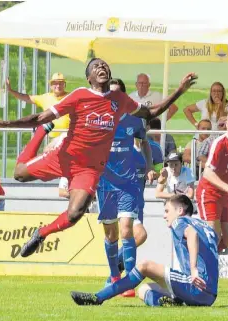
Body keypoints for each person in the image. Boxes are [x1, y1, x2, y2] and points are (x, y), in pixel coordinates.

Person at [0, 58, 197, 258]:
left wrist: (179, 90)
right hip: (64, 156)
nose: (101, 67)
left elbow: (151, 112)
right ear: (89, 78)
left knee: (75, 214)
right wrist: (5, 124)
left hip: (89, 169)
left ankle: (41, 233)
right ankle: (41, 134)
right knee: (18, 174)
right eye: (96, 66)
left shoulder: (119, 99)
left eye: (104, 65)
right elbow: (39, 116)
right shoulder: (79, 95)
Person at [70, 194, 219, 307]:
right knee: (144, 289)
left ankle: (98, 297)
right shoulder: (205, 226)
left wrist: (193, 269)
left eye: (167, 210)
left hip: (196, 286)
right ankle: (168, 303)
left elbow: (191, 233)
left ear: (180, 210)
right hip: (210, 295)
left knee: (144, 266)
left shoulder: (180, 221)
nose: (164, 215)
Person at [97, 78, 155, 298]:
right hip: (105, 183)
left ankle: (128, 281)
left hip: (129, 182)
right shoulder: (98, 120)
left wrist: (149, 166)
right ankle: (114, 277)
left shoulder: (134, 121)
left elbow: (145, 143)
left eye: (116, 94)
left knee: (127, 230)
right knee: (111, 235)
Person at [195, 109, 228, 252]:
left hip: (225, 194)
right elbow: (207, 172)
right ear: (225, 124)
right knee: (213, 236)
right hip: (209, 193)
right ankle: (199, 263)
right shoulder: (219, 143)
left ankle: (204, 255)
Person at [6, 72, 70, 151]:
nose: (58, 86)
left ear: (65, 85)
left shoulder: (70, 97)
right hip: (50, 137)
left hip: (67, 136)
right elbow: (27, 98)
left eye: (61, 83)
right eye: (55, 83)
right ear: (50, 86)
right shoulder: (45, 97)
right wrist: (11, 91)